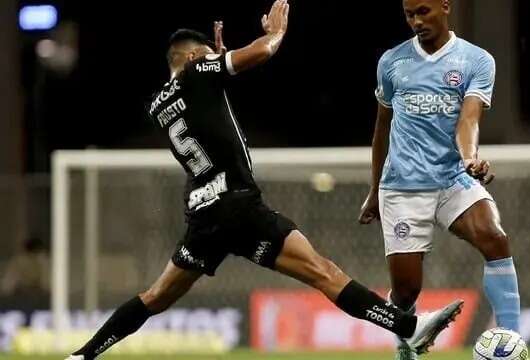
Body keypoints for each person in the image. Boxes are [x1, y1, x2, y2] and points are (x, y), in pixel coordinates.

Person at [67, 1, 463, 359]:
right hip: (238, 204)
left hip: (204, 217)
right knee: (323, 272)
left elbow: (204, 108)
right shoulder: (196, 72)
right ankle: (409, 327)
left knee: (155, 297)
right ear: (190, 57)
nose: (213, 61)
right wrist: (274, 34)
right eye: (205, 57)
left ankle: (82, 356)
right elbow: (258, 53)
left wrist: (214, 62)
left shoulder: (159, 103)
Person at [359, 0, 521, 359]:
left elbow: (469, 119)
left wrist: (469, 158)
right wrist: (374, 190)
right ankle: (406, 344)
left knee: (495, 238)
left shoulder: (476, 61)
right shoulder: (392, 62)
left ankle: (510, 341)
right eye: (408, 15)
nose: (416, 21)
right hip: (402, 186)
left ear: (445, 6)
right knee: (405, 290)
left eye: (423, 11)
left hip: (452, 177)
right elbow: (381, 129)